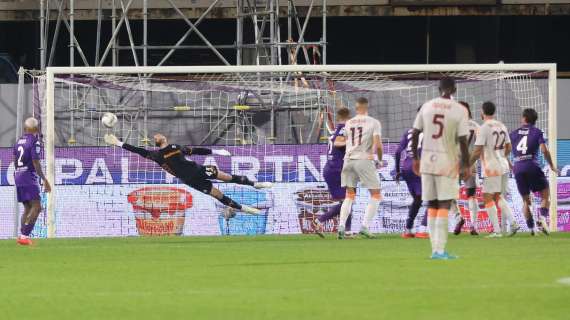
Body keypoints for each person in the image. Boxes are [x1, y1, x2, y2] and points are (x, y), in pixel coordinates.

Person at [104, 133, 271, 215]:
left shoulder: (175, 148)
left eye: (157, 134)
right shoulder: (156, 155)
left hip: (196, 170)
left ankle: (255, 184)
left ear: (164, 138)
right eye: (155, 136)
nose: (156, 135)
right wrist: (119, 143)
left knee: (227, 177)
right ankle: (245, 209)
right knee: (218, 195)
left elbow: (196, 150)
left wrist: (217, 151)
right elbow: (138, 150)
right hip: (189, 180)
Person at [411, 77, 471, 260]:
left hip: (427, 160)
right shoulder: (459, 109)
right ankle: (440, 250)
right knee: (445, 203)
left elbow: (415, 133)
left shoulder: (427, 106)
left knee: (432, 205)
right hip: (447, 162)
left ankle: (434, 250)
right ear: (454, 89)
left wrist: (415, 158)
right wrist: (466, 164)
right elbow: (462, 141)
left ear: (438, 89)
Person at [468, 102, 519, 237]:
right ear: (494, 112)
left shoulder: (484, 128)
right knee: (498, 196)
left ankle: (497, 231)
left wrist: (468, 165)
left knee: (487, 197)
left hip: (491, 167)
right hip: (503, 165)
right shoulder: (501, 125)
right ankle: (513, 223)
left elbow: (477, 150)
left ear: (482, 112)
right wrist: (501, 156)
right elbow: (509, 147)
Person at [338, 97, 383, 239]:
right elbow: (378, 144)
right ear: (367, 107)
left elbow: (341, 140)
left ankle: (340, 226)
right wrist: (379, 159)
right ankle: (364, 226)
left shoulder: (349, 122)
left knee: (349, 195)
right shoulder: (373, 122)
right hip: (363, 159)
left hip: (348, 159)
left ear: (356, 108)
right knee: (376, 194)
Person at [509, 108, 557, 235]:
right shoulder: (537, 132)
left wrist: (511, 166)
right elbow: (544, 150)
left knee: (526, 201)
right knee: (545, 193)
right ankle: (541, 218)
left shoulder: (513, 134)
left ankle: (531, 229)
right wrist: (551, 165)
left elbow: (504, 153)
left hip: (518, 166)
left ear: (524, 118)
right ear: (534, 120)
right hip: (532, 165)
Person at [312, 108, 353, 238]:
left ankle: (321, 221)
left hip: (330, 169)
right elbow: (337, 143)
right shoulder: (343, 129)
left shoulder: (336, 130)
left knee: (346, 201)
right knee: (348, 200)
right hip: (337, 170)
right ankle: (346, 231)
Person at [14, 117, 52, 246]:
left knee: (27, 207)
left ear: (25, 128)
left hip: (18, 175)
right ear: (37, 129)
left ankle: (22, 236)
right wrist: (44, 179)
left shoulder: (19, 141)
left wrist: (19, 174)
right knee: (37, 206)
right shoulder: (35, 142)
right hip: (28, 176)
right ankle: (24, 237)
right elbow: (36, 162)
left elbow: (15, 160)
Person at [395, 124, 428, 239]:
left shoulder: (409, 131)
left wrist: (398, 171)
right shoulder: (430, 131)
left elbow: (398, 152)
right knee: (436, 198)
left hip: (407, 167)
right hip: (421, 166)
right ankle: (423, 229)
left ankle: (408, 229)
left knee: (418, 200)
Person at [454, 101, 481, 236]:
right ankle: (473, 226)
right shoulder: (476, 126)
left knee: (447, 194)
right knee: (471, 195)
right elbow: (480, 146)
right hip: (470, 162)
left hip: (454, 163)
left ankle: (458, 217)